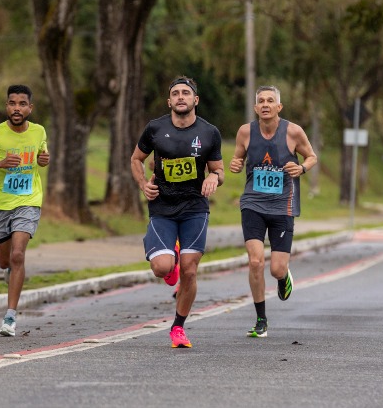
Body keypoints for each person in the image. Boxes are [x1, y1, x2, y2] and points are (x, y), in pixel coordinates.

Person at [130, 76, 224, 349]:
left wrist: (213, 178)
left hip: (195, 207)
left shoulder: (209, 132)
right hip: (162, 206)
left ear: (195, 100)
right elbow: (137, 159)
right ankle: (167, 260)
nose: (181, 97)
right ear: (169, 101)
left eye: (186, 93)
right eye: (175, 93)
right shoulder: (154, 129)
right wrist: (142, 184)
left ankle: (178, 328)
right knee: (162, 268)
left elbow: (218, 170)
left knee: (190, 271)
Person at [230, 85, 317, 338]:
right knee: (255, 261)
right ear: (256, 108)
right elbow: (237, 160)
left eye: (270, 100)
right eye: (261, 101)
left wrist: (302, 169)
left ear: (279, 107)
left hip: (283, 206)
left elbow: (311, 156)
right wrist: (235, 164)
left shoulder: (293, 131)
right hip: (252, 204)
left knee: (276, 269)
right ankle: (261, 320)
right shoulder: (245, 132)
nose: (265, 104)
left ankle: (283, 277)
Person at [0, 84, 50, 337]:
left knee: (18, 256)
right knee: (5, 261)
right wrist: (1, 163)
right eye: (12, 103)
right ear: (7, 106)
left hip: (28, 201)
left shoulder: (38, 131)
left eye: (22, 104)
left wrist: (43, 160)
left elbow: (42, 155)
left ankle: (10, 317)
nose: (17, 108)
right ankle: (10, 272)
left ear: (30, 108)